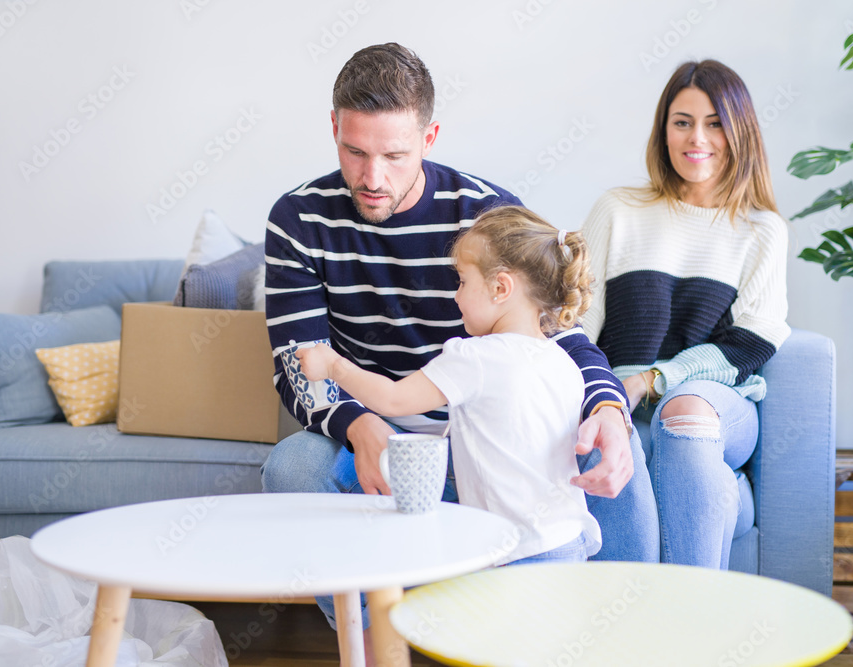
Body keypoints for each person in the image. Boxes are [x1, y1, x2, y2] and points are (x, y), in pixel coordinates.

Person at [261, 43, 659, 631]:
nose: (372, 178)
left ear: (430, 137)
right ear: (334, 128)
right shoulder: (298, 221)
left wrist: (606, 405)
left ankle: (630, 637)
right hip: (380, 435)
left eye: (395, 155)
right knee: (293, 468)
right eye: (354, 151)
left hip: (489, 442)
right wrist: (357, 425)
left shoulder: (486, 214)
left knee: (615, 449)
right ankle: (389, 642)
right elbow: (297, 367)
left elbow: (563, 338)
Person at [297, 206, 602, 565]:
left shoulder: (476, 357)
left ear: (500, 287)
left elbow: (394, 400)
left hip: (515, 550)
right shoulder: (562, 362)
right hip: (568, 538)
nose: (456, 296)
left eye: (462, 281)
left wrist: (334, 365)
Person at [580, 59, 790, 570]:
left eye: (715, 122)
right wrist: (601, 393)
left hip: (717, 403)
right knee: (614, 432)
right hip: (618, 398)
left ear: (740, 131)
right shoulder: (618, 210)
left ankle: (691, 615)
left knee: (684, 408)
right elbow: (575, 322)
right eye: (682, 122)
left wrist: (655, 379)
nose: (697, 137)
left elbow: (752, 342)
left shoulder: (762, 229)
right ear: (664, 130)